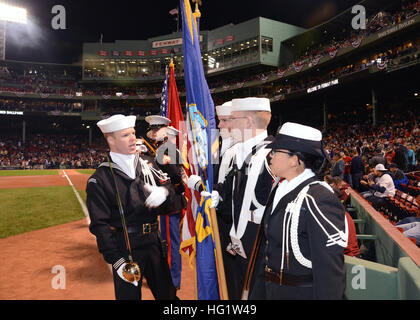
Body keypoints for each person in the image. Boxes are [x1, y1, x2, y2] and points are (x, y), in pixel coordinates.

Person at [86, 114, 186, 300]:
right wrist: (116, 260)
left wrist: (164, 192)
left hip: (154, 244)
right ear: (111, 140)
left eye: (133, 133)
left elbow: (174, 191)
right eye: (125, 135)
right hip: (126, 250)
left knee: (169, 297)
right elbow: (100, 225)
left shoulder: (148, 165)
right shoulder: (100, 179)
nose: (133, 138)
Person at [188, 97, 275, 300]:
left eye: (232, 119)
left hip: (262, 249)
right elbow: (230, 189)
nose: (223, 125)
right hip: (241, 244)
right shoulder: (243, 153)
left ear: (248, 122)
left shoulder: (273, 156)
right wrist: (218, 194)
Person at [249, 122, 348, 300]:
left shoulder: (319, 198)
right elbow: (269, 251)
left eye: (276, 151)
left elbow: (329, 272)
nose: (270, 155)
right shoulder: (280, 189)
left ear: (295, 160)